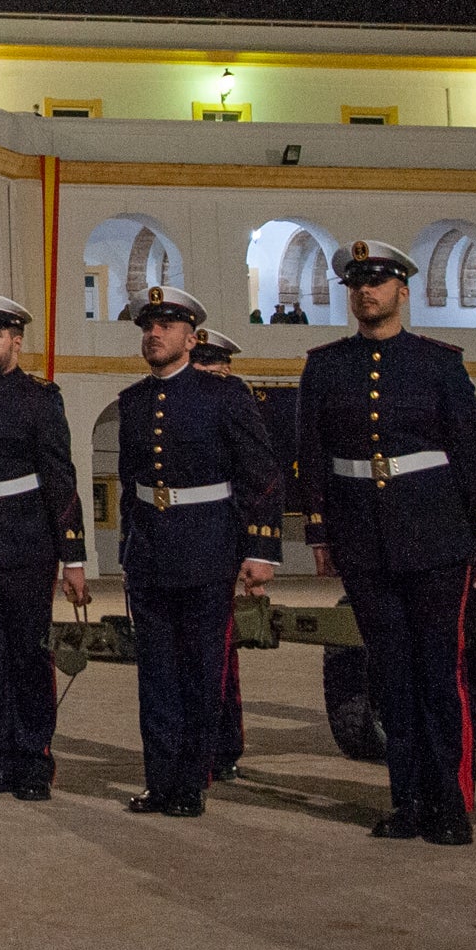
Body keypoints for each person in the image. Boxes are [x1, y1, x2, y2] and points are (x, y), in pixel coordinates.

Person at [298, 239, 476, 844]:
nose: (368, 291)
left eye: (380, 282)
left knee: (441, 674)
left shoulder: (438, 362)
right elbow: (313, 455)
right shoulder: (326, 366)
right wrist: (320, 532)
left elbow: (470, 452)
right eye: (358, 282)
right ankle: (408, 802)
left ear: (402, 292)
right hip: (364, 538)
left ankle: (452, 804)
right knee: (389, 675)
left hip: (438, 537)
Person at [109, 287, 284, 816]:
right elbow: (129, 480)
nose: (154, 334)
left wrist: (261, 550)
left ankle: (191, 782)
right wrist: (127, 549)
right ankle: (159, 781)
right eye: (148, 326)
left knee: (201, 670)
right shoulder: (133, 401)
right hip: (150, 554)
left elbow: (262, 475)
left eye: (165, 326)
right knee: (155, 674)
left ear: (190, 336)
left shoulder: (224, 396)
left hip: (208, 547)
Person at [0, 294, 89, 800]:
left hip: (26, 542)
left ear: (16, 340)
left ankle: (35, 760)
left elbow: (60, 477)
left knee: (29, 656)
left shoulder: (39, 397)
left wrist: (72, 557)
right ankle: (2, 757)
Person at [186, 327, 260, 783]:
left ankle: (224, 744)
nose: (208, 373)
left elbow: (253, 477)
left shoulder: (233, 401)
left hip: (220, 538)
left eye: (214, 366)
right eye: (202, 365)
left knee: (219, 653)